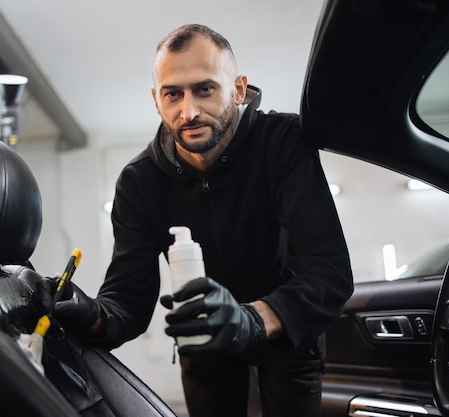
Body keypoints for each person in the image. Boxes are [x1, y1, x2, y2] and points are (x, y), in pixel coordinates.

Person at [40, 23, 353, 417]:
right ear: (157, 100)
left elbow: (331, 274)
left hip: (286, 333)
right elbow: (128, 302)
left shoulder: (283, 141)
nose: (188, 111)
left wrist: (251, 320)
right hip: (203, 345)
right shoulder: (139, 182)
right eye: (173, 94)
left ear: (238, 89)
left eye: (204, 89)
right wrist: (93, 314)